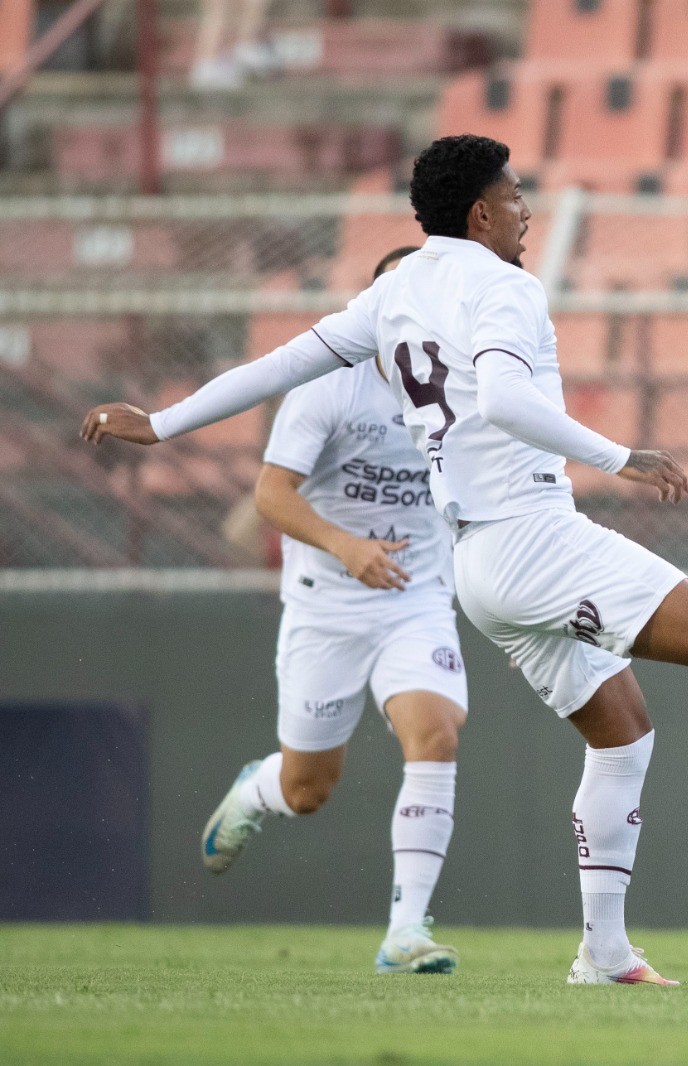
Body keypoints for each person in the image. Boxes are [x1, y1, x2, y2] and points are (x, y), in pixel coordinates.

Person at [82, 134, 688, 988]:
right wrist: (624, 456)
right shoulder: (502, 286)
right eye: (514, 197)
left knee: (621, 732)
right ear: (480, 212)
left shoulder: (393, 295)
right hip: (531, 535)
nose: (526, 211)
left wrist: (158, 424)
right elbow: (501, 397)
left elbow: (276, 365)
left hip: (474, 567)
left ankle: (604, 953)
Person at [198, 245, 468, 975]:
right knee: (307, 789)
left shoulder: (470, 392)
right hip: (326, 607)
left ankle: (405, 933)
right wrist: (346, 546)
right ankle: (260, 787)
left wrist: (515, 610)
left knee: (436, 734)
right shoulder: (326, 391)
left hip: (416, 600)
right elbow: (271, 495)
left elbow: (480, 503)